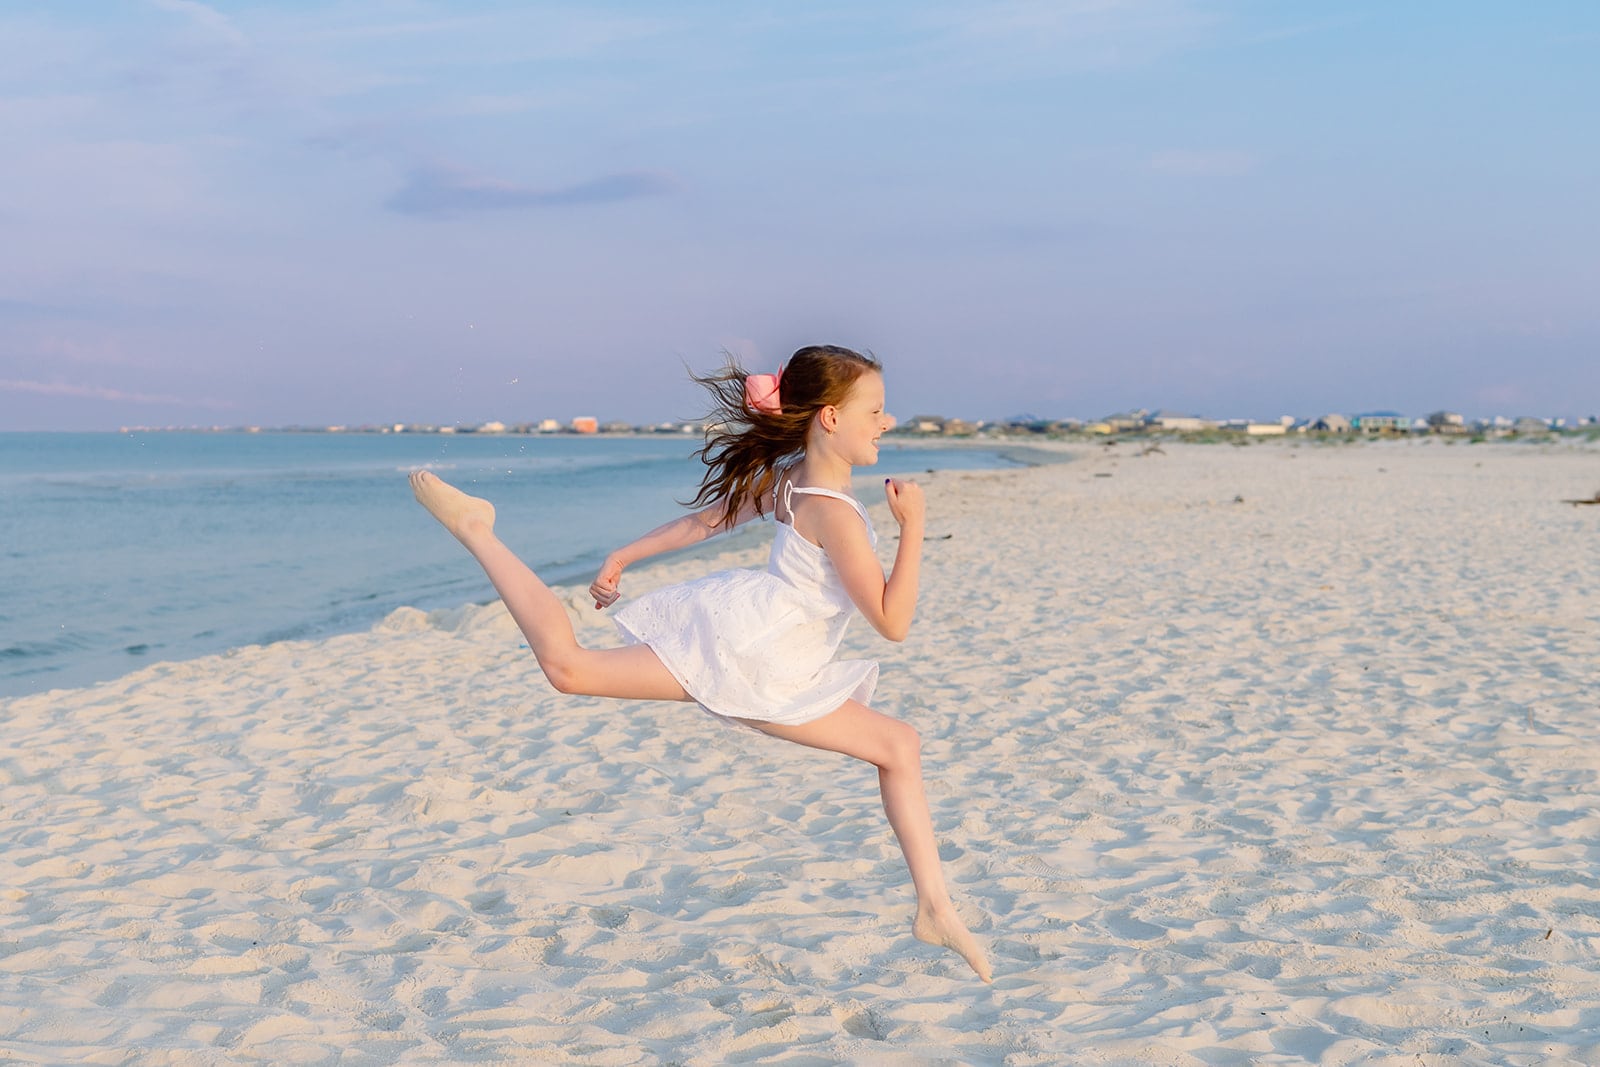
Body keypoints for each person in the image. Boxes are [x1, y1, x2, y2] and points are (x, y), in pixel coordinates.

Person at [410, 344, 991, 982]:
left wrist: (626, 554)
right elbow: (893, 623)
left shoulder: (796, 477)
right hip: (760, 660)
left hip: (762, 645)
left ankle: (935, 907)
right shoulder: (834, 510)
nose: (887, 422)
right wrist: (912, 528)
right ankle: (478, 532)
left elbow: (710, 521)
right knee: (569, 668)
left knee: (898, 745)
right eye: (875, 410)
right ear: (829, 417)